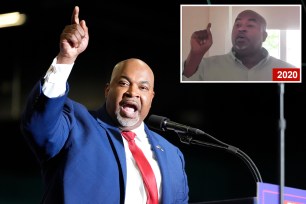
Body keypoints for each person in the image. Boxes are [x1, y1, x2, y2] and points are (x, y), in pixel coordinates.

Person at [20, 6, 189, 204]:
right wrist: (66, 59)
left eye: (143, 88)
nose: (132, 92)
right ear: (107, 90)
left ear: (151, 97)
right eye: (124, 83)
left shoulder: (172, 155)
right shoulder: (75, 123)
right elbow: (39, 126)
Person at [182, 9, 296, 81]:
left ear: (264, 36)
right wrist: (195, 54)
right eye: (237, 24)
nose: (241, 29)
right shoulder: (206, 67)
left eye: (250, 25)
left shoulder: (287, 71)